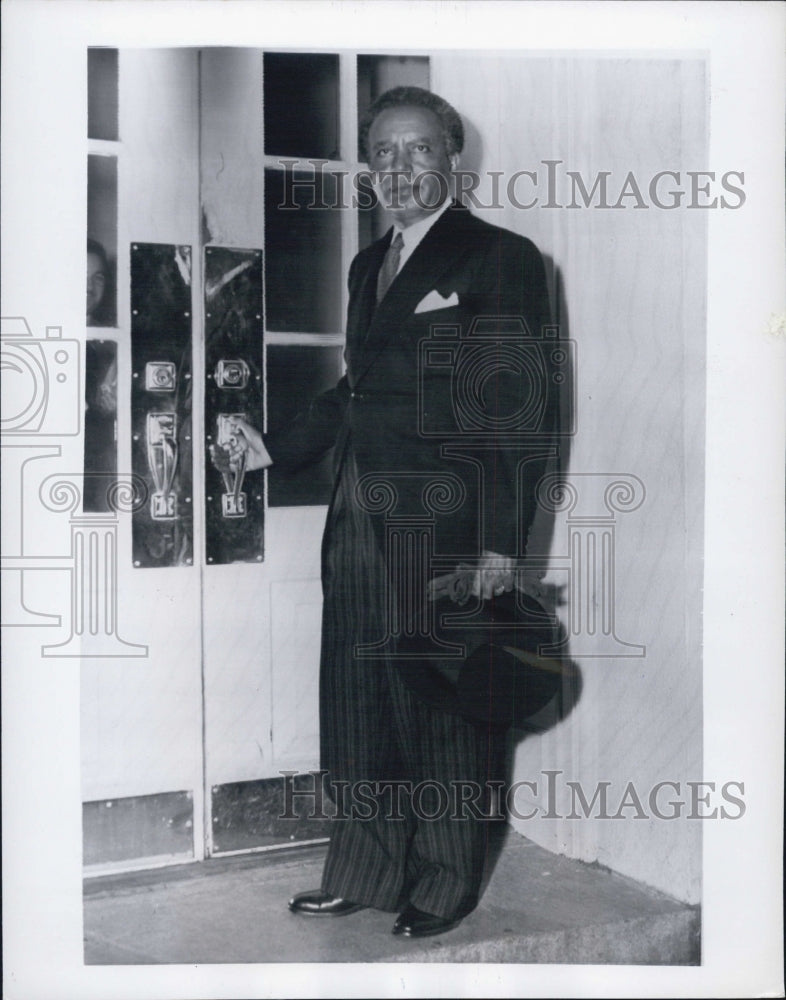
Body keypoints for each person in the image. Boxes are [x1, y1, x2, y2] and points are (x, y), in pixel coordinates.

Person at [225, 86, 555, 938]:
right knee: (360, 696)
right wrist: (277, 446)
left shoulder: (502, 258)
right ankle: (366, 868)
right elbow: (355, 392)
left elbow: (519, 411)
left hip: (447, 529)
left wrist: (495, 545)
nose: (398, 168)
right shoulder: (369, 266)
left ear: (453, 159)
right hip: (361, 522)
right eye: (383, 153)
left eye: (417, 150)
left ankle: (447, 877)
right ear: (368, 170)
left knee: (443, 705)